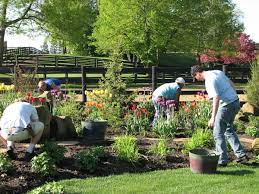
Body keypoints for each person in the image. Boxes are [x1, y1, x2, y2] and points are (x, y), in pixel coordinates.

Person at [190, 65, 247, 166]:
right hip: (235, 102)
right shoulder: (217, 72)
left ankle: (222, 160)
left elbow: (216, 97)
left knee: (218, 133)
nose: (197, 79)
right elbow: (231, 83)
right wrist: (234, 95)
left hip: (226, 105)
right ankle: (241, 155)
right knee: (228, 129)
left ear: (198, 73)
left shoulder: (209, 80)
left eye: (195, 77)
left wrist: (213, 117)